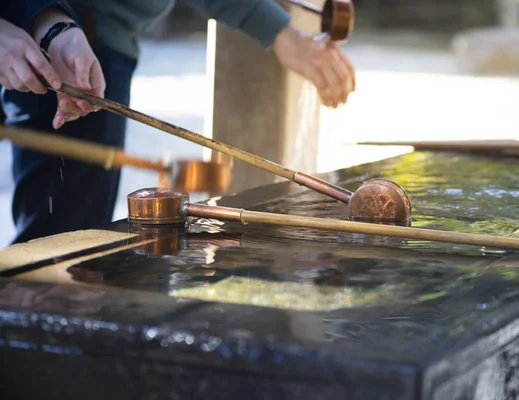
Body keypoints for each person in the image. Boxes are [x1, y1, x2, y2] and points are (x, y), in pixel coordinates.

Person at [0, 0, 356, 245]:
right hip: (69, 36)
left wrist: (51, 23)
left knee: (68, 241)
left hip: (70, 36)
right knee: (57, 248)